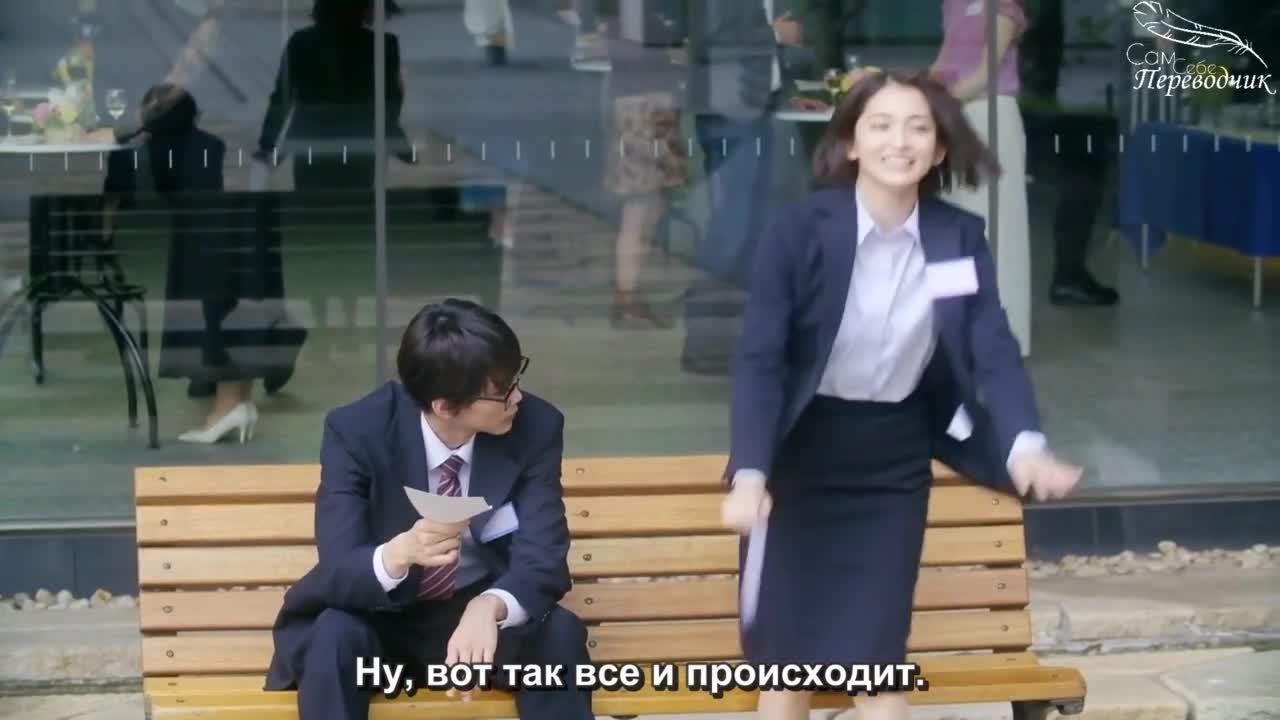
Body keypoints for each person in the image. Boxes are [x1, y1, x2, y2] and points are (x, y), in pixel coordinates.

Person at [720, 69, 1082, 720]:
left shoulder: (955, 237)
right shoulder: (799, 231)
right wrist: (750, 473)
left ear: (939, 150)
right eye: (881, 125)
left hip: (892, 463)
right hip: (800, 459)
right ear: (850, 143)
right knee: (785, 658)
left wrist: (1025, 444)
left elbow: (991, 346)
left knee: (877, 656)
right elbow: (760, 361)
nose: (900, 141)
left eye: (918, 128)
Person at [262, 299, 593, 720]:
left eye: (515, 380)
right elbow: (340, 566)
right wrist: (398, 554)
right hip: (382, 620)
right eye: (501, 391)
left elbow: (543, 557)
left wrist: (489, 606)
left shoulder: (536, 426)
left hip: (478, 620)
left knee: (558, 633)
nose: (517, 397)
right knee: (334, 635)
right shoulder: (359, 430)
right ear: (445, 406)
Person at [929, 0, 1033, 354]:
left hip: (991, 116)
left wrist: (941, 103)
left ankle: (1001, 334)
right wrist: (918, 91)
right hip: (956, 119)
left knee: (996, 228)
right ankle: (954, 329)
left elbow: (987, 72)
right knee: (953, 227)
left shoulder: (1003, 7)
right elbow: (942, 65)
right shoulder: (953, 5)